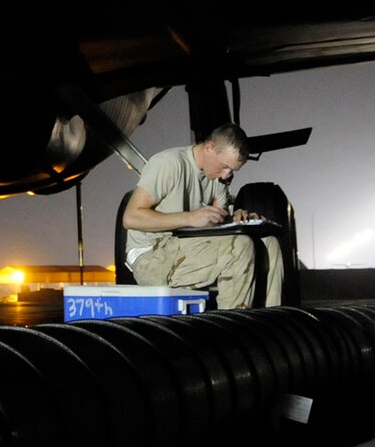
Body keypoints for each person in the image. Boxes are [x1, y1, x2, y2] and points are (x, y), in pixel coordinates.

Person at [121, 123, 285, 309]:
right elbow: (131, 217)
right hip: (152, 255)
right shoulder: (168, 164)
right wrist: (189, 218)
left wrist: (237, 218)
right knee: (239, 246)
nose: (226, 175)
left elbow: (219, 225)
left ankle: (268, 327)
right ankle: (234, 332)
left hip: (189, 246)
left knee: (269, 244)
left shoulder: (217, 180)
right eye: (224, 166)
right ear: (209, 147)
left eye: (231, 171)